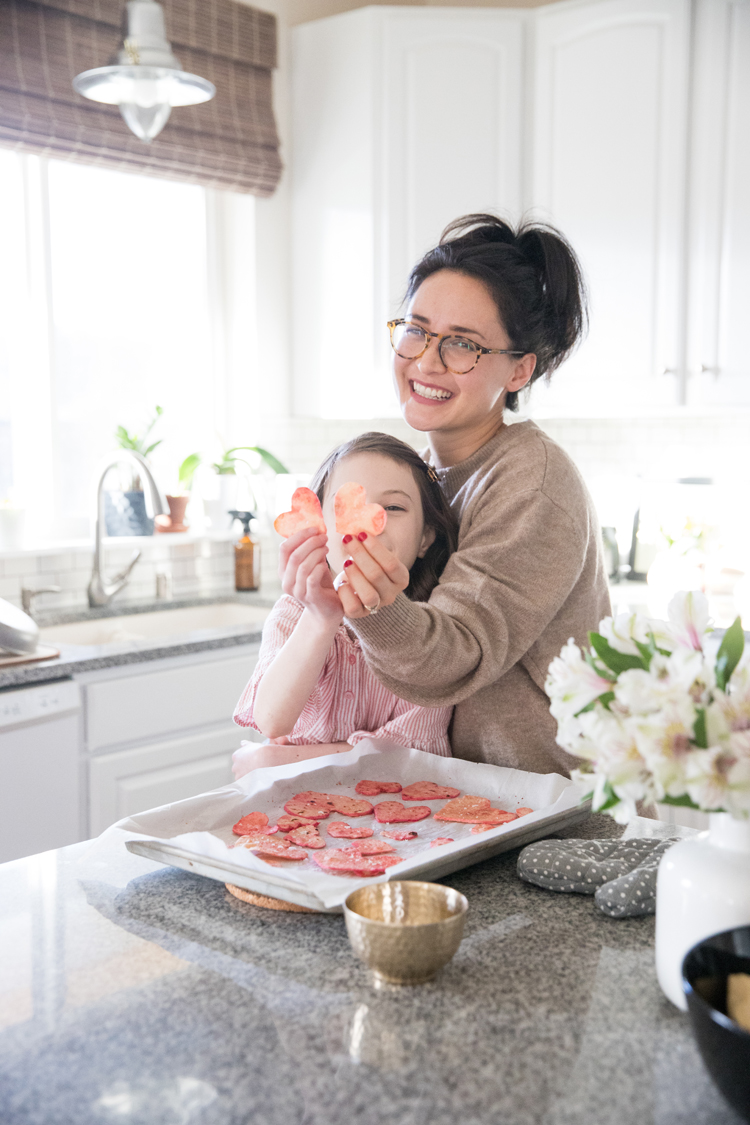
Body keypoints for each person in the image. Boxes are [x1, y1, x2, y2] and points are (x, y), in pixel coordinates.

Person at [283, 214, 611, 776]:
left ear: (519, 371)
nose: (426, 360)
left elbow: (452, 658)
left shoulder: (531, 481)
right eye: (416, 329)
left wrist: (374, 608)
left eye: (463, 344)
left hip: (557, 817)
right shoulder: (419, 478)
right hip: (467, 803)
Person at [231, 432, 458, 778]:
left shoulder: (432, 633)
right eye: (345, 507)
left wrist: (279, 759)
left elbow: (412, 753)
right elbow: (272, 721)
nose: (368, 523)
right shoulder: (292, 615)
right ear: (318, 524)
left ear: (426, 537)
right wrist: (321, 618)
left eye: (393, 508)